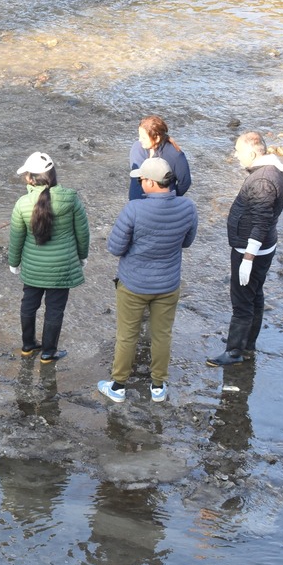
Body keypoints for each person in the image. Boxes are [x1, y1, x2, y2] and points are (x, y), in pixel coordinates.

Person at [98, 157, 198, 403]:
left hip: (133, 284)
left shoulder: (134, 209)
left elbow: (115, 247)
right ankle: (158, 387)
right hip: (168, 284)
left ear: (153, 183)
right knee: (162, 335)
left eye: (142, 179)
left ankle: (118, 386)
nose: (140, 183)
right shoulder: (188, 207)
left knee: (126, 336)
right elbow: (187, 242)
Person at [206, 131, 283, 366]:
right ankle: (248, 344)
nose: (236, 155)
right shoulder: (272, 172)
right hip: (264, 246)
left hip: (251, 250)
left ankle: (234, 352)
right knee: (255, 295)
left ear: (252, 152)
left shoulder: (262, 181)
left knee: (242, 301)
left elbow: (261, 220)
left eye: (238, 151)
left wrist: (248, 258)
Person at [8, 152, 89, 363]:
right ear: (53, 174)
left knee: (29, 304)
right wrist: (82, 257)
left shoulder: (22, 203)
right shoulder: (70, 198)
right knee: (55, 309)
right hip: (62, 268)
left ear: (30, 178)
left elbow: (16, 237)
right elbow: (82, 232)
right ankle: (48, 352)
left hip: (33, 268)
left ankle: (27, 345)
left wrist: (14, 263)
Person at [129, 116, 191, 201]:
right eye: (139, 136)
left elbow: (185, 182)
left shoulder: (175, 155)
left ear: (157, 138)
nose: (140, 140)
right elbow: (135, 178)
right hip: (136, 203)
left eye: (144, 138)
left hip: (162, 204)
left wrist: (172, 198)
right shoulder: (137, 149)